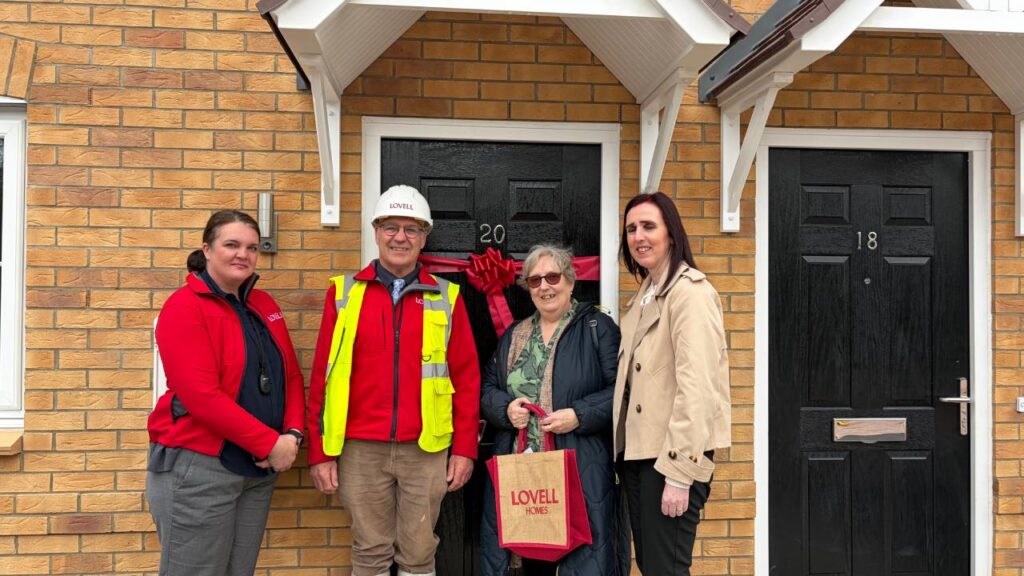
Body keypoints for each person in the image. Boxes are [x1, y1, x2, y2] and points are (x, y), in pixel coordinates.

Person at [306, 184, 481, 576]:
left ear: (424, 237)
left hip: (426, 449)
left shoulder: (447, 297)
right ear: (375, 231)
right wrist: (319, 452)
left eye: (411, 228)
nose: (400, 237)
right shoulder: (343, 294)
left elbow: (467, 380)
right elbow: (323, 378)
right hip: (359, 449)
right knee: (369, 551)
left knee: (419, 552)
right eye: (391, 227)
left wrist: (466, 448)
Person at [147, 210, 306, 576]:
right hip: (199, 469)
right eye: (231, 244)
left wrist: (293, 435)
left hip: (257, 471)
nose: (243, 255)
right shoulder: (184, 308)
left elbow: (291, 377)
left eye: (251, 247)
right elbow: (202, 396)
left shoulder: (265, 305)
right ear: (207, 249)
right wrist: (270, 443)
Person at [479, 244, 629, 576]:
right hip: (524, 475)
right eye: (535, 281)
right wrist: (506, 409)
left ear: (570, 281)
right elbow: (486, 389)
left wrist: (579, 414)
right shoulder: (515, 336)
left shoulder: (597, 328)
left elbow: (623, 391)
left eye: (552, 276)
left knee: (583, 560)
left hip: (580, 468)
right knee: (530, 559)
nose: (545, 286)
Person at [613, 192, 731, 575]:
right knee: (652, 566)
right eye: (631, 228)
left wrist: (679, 474)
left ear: (672, 235)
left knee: (667, 568)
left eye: (649, 226)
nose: (638, 236)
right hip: (640, 455)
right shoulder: (644, 298)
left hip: (670, 459)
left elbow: (698, 389)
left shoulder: (690, 294)